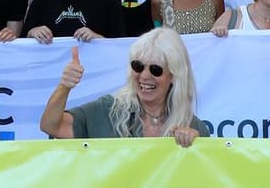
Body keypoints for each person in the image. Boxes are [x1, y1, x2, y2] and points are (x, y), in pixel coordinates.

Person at [39, 28, 207, 145]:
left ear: (173, 75)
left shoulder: (192, 126)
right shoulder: (107, 110)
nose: (144, 76)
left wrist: (196, 146)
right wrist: (64, 87)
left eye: (155, 70)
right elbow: (51, 126)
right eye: (138, 66)